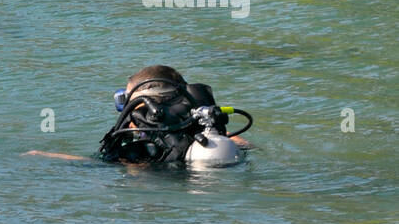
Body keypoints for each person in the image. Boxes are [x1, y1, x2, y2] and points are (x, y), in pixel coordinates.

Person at [26, 65, 251, 164]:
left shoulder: (138, 142)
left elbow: (98, 166)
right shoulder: (211, 128)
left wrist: (43, 154)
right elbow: (245, 145)